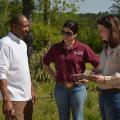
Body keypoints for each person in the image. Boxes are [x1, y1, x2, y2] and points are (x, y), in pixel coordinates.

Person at [43, 20, 99, 120]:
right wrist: (52, 75)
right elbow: (45, 62)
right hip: (60, 88)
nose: (65, 35)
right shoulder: (56, 48)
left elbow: (97, 63)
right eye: (63, 32)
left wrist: (87, 76)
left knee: (78, 117)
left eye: (69, 33)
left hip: (78, 88)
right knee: (63, 117)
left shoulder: (83, 48)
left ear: (75, 34)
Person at [0, 15, 36, 120]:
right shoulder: (4, 43)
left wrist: (31, 89)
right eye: (24, 26)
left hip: (27, 97)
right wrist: (7, 100)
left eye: (28, 26)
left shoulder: (23, 44)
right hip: (14, 99)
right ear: (14, 26)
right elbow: (1, 73)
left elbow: (24, 70)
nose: (27, 29)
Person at [90, 15, 120, 120]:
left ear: (112, 29)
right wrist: (94, 72)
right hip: (103, 94)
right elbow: (103, 68)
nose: (99, 33)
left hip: (115, 95)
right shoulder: (106, 48)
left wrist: (105, 79)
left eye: (102, 30)